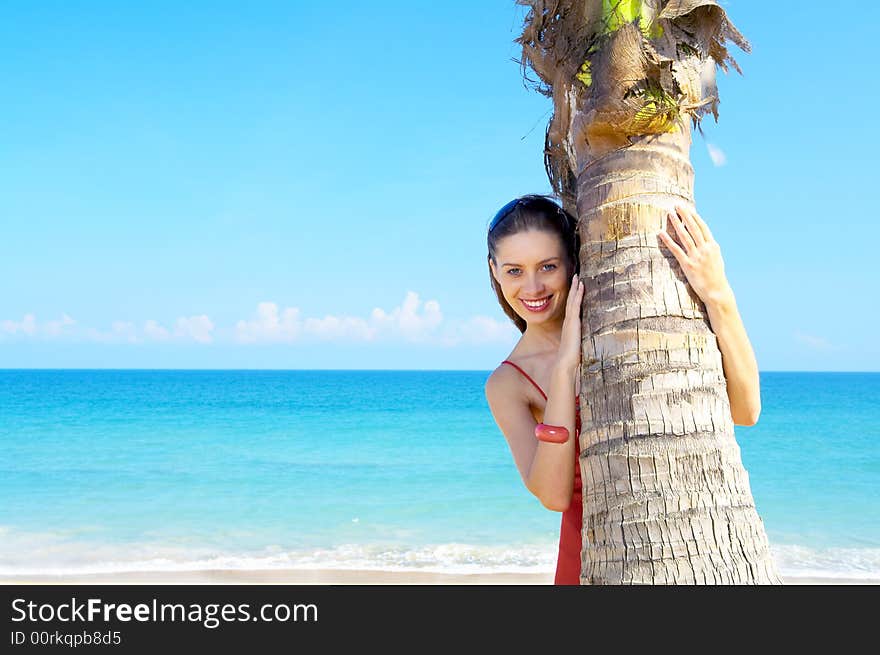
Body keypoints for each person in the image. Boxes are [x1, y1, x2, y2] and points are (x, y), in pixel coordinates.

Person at [483, 194, 763, 585]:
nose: (532, 287)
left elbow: (746, 410)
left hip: (685, 544)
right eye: (514, 271)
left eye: (547, 266)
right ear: (494, 270)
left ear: (571, 264)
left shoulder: (633, 319)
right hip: (595, 559)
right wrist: (564, 369)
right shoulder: (509, 383)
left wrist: (718, 293)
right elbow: (553, 495)